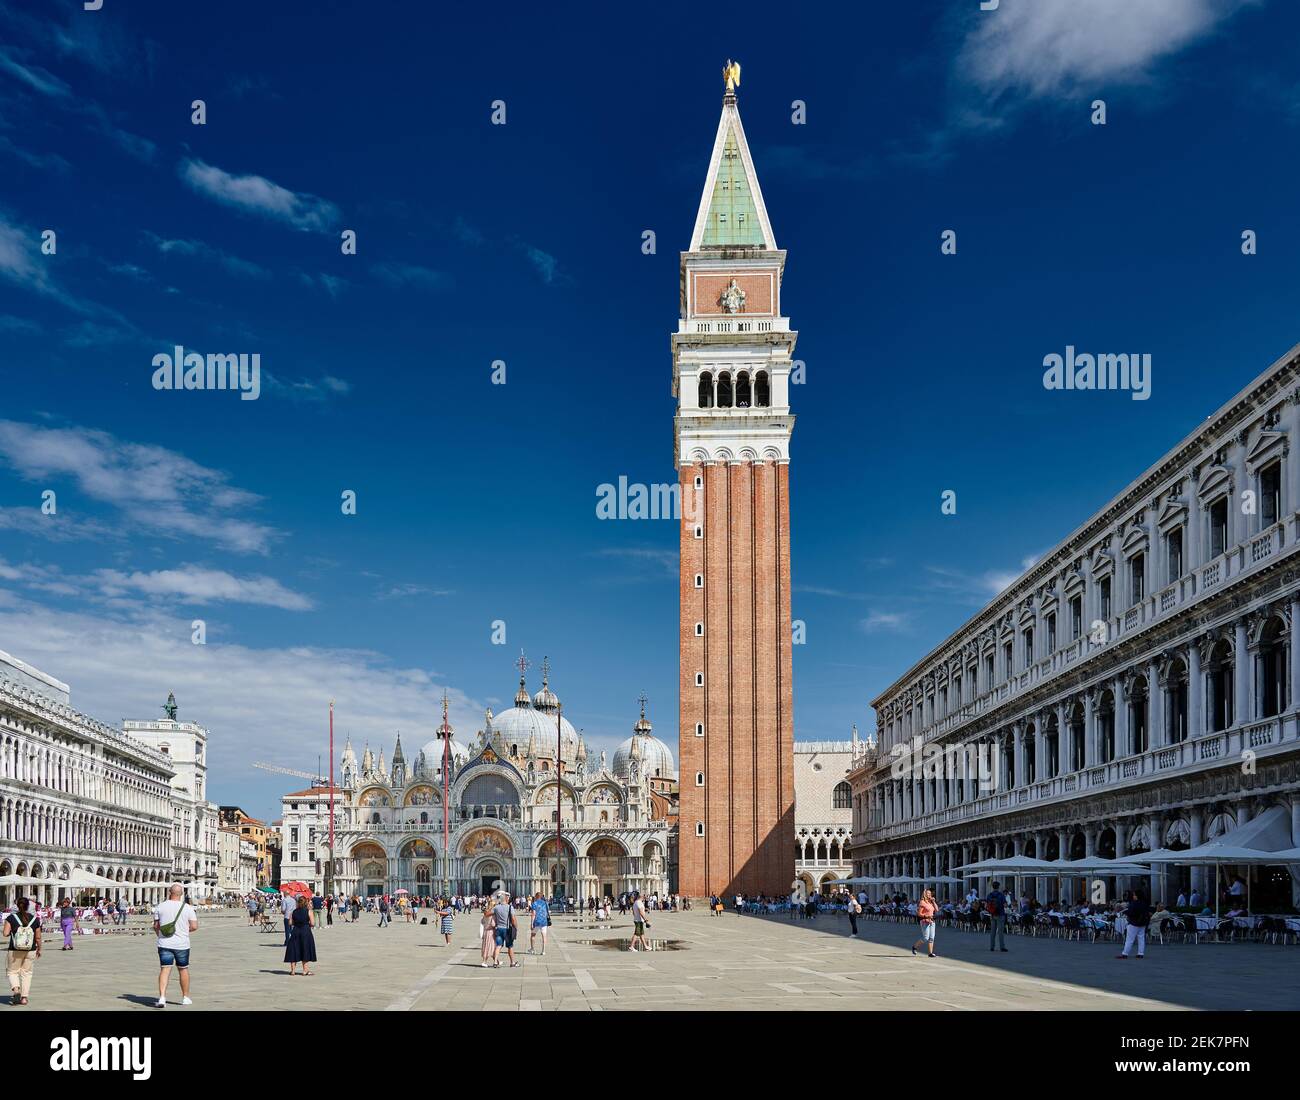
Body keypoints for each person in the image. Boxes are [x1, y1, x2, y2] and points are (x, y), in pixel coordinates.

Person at [152, 883, 198, 1008]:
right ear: (181, 894)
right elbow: (194, 926)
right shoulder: (187, 908)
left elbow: (156, 926)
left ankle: (162, 998)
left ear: (169, 892)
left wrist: (160, 935)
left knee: (165, 969)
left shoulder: (160, 907)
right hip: (182, 944)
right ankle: (185, 997)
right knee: (183, 969)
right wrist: (183, 931)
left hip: (164, 943)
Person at [5, 896, 41, 1005]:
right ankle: (24, 998)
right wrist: (39, 948)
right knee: (27, 973)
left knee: (12, 971)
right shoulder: (35, 919)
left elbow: (5, 933)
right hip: (30, 949)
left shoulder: (11, 918)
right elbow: (38, 937)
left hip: (14, 949)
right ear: (28, 906)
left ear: (17, 905)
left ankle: (16, 990)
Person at [285, 895, 317, 976]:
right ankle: (305, 970)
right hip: (305, 931)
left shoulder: (294, 912)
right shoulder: (309, 911)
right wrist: (307, 923)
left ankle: (292, 971)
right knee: (305, 949)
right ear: (306, 903)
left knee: (294, 949)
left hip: (295, 931)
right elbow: (313, 923)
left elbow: (290, 923)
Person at [1117, 890, 1150, 959]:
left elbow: (1131, 912)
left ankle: (1125, 953)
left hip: (1133, 923)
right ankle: (1140, 953)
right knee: (1141, 938)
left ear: (1137, 896)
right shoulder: (1144, 903)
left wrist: (1125, 912)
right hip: (1142, 923)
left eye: (1134, 895)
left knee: (1129, 939)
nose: (1133, 896)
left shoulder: (1134, 903)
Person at [491, 893, 519, 968]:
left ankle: (495, 962)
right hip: (507, 930)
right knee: (510, 946)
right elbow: (513, 919)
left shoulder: (496, 907)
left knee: (498, 946)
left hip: (498, 929)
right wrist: (515, 927)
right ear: (506, 899)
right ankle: (512, 962)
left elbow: (488, 913)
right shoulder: (510, 907)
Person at [911, 889, 938, 958]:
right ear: (924, 894)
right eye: (927, 894)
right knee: (926, 938)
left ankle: (930, 953)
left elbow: (937, 910)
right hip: (925, 921)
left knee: (932, 938)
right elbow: (919, 914)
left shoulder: (931, 902)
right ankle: (914, 947)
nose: (929, 895)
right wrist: (927, 916)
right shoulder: (922, 902)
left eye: (930, 894)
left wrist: (934, 902)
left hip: (932, 921)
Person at [986, 881, 1008, 952]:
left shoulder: (989, 895)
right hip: (1000, 914)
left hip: (992, 915)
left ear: (992, 887)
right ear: (998, 887)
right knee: (1000, 932)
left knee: (992, 932)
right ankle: (1002, 947)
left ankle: (992, 947)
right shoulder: (1001, 895)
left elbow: (987, 906)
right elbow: (1005, 905)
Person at [479, 901, 496, 968]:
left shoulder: (486, 912)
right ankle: (484, 961)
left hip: (485, 931)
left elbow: (482, 921)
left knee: (487, 946)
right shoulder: (492, 914)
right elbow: (493, 924)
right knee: (490, 947)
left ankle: (496, 961)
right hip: (491, 932)